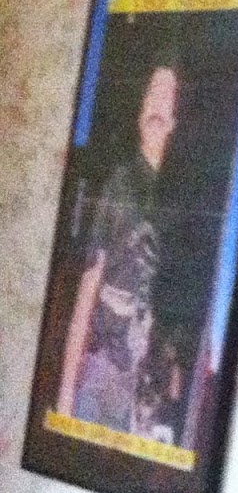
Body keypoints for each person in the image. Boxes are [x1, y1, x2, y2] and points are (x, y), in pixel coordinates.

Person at [55, 62, 183, 440]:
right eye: (151, 93)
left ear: (174, 120)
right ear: (140, 113)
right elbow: (89, 285)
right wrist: (65, 395)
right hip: (100, 376)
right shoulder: (119, 184)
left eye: (167, 96)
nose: (157, 103)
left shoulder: (176, 205)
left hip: (137, 395)